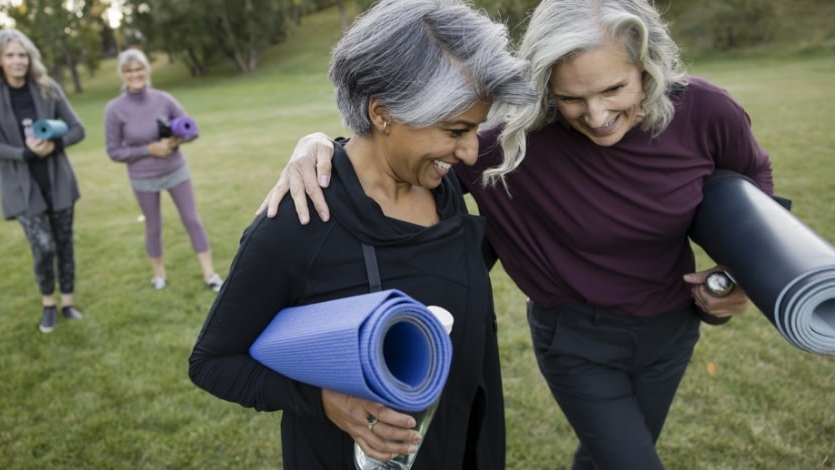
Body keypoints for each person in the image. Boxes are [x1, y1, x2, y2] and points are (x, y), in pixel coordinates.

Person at [257, 0, 779, 468]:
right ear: (545, 85)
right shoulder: (507, 148)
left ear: (648, 66)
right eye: (572, 97)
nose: (597, 116)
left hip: (673, 329)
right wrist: (321, 145)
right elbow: (396, 158)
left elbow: (753, 183)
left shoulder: (707, 112)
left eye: (615, 88)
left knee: (613, 452)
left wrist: (740, 273)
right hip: (577, 341)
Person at [189, 0, 536, 468]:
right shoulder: (299, 224)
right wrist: (321, 400)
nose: (472, 152)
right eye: (456, 129)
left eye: (476, 127)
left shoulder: (448, 187)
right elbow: (213, 362)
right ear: (382, 112)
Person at [0, 29, 86, 334]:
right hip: (20, 186)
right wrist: (23, 153)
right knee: (43, 246)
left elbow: (78, 128)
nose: (17, 61)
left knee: (64, 244)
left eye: (22, 55)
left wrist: (55, 145)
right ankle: (48, 304)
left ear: (30, 57)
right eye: (10, 55)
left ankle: (67, 303)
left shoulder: (47, 87)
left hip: (57, 181)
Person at [103, 49, 224, 292]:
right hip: (143, 178)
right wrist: (148, 149)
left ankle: (210, 274)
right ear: (122, 75)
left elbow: (193, 130)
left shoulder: (163, 99)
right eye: (129, 70)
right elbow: (114, 151)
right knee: (153, 225)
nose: (135, 74)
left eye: (139, 69)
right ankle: (159, 275)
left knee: (192, 219)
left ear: (147, 71)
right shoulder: (114, 109)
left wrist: (178, 140)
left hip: (175, 170)